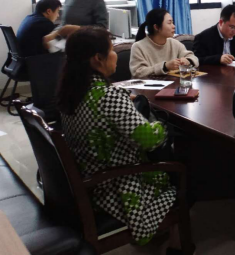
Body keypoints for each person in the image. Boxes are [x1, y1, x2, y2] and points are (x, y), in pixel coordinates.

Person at [57, 27, 178, 246]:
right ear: (98, 58)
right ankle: (165, 232)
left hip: (89, 176)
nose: (115, 55)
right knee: (183, 167)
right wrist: (162, 125)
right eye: (112, 50)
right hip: (117, 188)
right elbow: (150, 141)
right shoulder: (107, 96)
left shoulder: (71, 91)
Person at [130, 9, 198, 78]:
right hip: (149, 84)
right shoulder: (138, 47)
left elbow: (194, 58)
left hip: (172, 83)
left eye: (173, 22)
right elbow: (138, 73)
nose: (173, 26)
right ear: (156, 27)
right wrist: (165, 66)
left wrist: (188, 60)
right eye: (169, 23)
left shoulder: (174, 43)